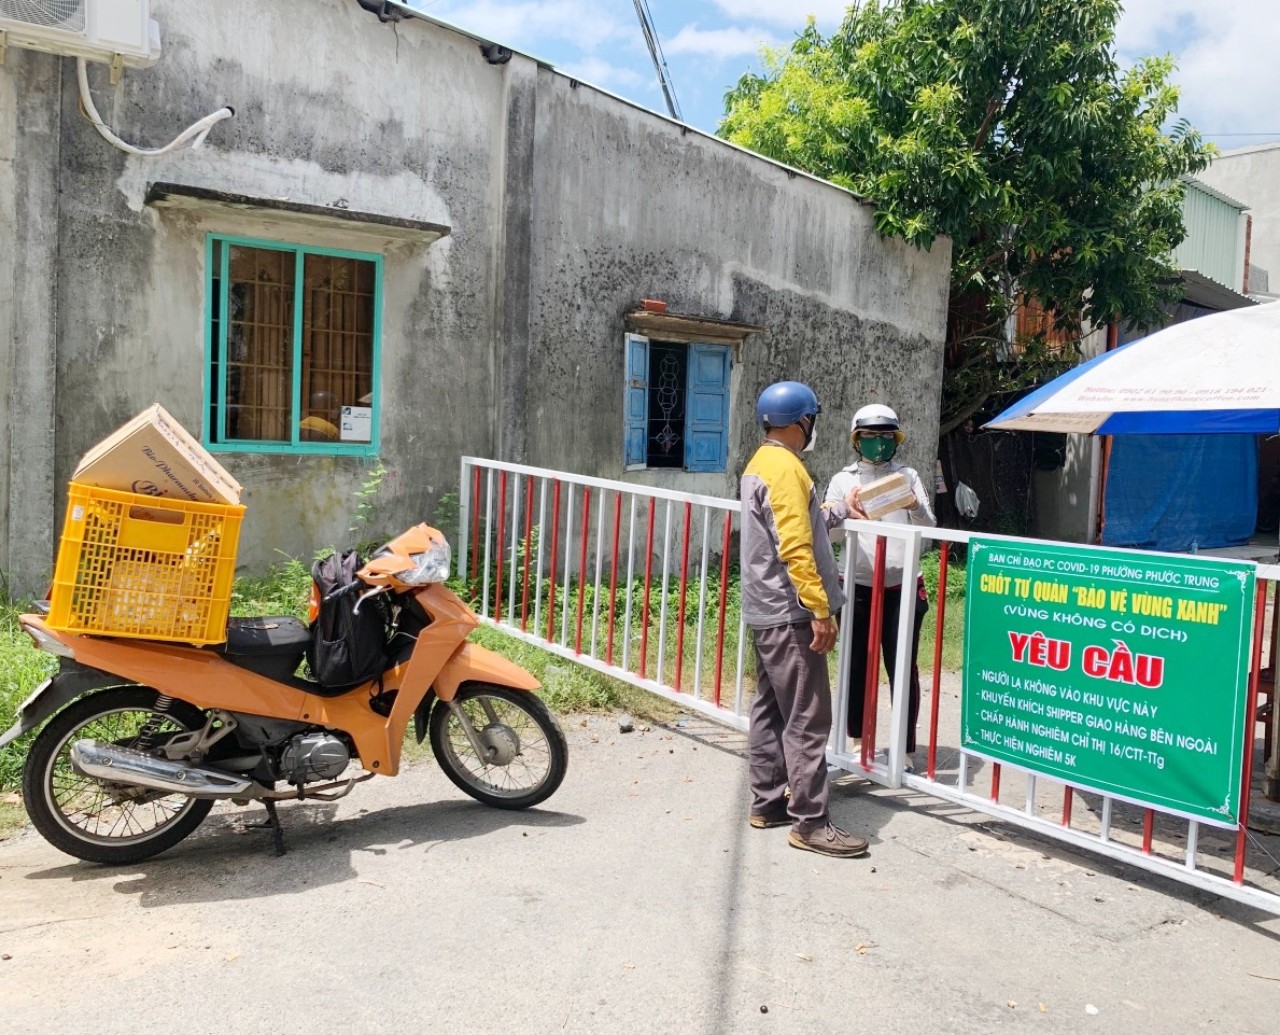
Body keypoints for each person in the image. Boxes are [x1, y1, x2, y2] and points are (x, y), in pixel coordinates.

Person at [740, 381, 869, 858]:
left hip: (765, 608)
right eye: (813, 419)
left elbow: (801, 521)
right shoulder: (786, 469)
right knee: (808, 717)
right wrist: (818, 609)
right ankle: (811, 823)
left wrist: (838, 511)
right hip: (789, 611)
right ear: (802, 422)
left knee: (771, 709)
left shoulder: (762, 464)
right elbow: (794, 545)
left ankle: (767, 802)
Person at [825, 403, 936, 769]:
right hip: (856, 584)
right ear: (857, 441)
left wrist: (914, 503)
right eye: (870, 437)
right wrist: (847, 510)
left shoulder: (908, 475)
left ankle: (903, 748)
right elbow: (831, 531)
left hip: (901, 586)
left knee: (902, 666)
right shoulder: (844, 481)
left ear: (896, 440)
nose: (878, 444)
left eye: (885, 437)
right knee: (857, 664)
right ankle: (858, 741)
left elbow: (929, 530)